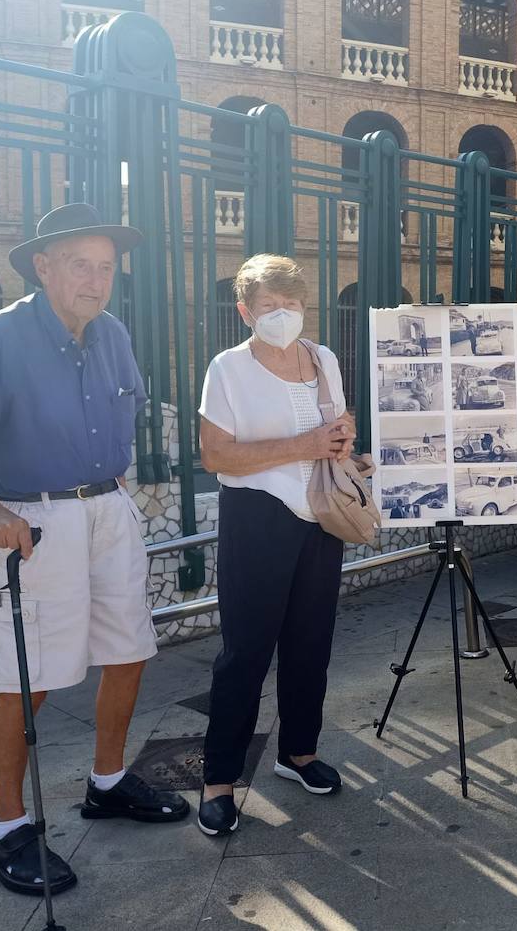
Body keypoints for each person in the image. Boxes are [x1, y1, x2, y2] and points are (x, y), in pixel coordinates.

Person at [0, 202, 189, 898]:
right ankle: (8, 830)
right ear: (43, 265)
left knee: (128, 652)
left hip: (108, 509)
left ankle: (108, 780)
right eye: (80, 265)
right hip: (34, 524)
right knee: (25, 682)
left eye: (106, 267)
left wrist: (113, 501)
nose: (96, 280)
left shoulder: (114, 333)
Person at [195, 254, 356, 836]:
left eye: (291, 305)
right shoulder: (228, 370)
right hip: (257, 516)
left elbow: (340, 422)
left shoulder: (324, 360)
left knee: (312, 642)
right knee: (245, 651)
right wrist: (305, 443)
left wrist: (341, 435)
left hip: (319, 514)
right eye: (269, 306)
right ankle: (218, 781)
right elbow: (216, 455)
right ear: (245, 312)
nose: (282, 315)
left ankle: (299, 753)